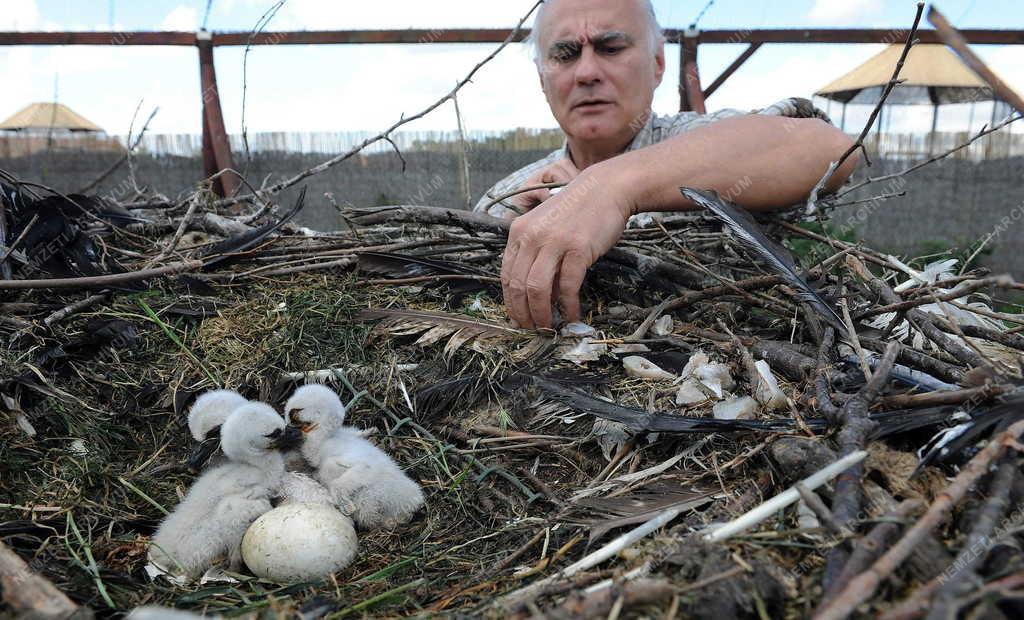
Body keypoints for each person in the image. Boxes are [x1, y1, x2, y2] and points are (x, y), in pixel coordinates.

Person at [475, 0, 859, 330]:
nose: (587, 72)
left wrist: (612, 186)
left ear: (657, 63)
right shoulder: (510, 197)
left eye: (610, 47)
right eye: (565, 54)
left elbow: (831, 149)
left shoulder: (706, 137)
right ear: (542, 79)